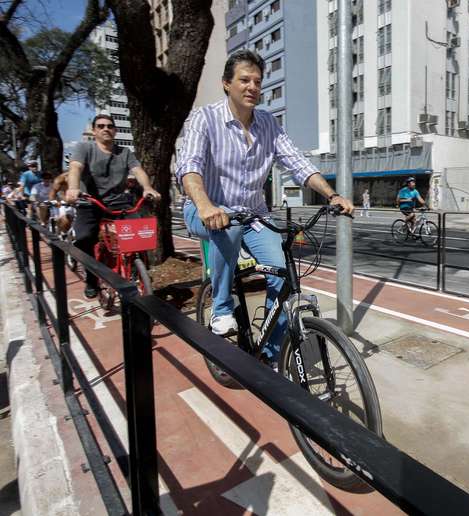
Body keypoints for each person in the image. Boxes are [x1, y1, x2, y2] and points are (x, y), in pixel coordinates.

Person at [175, 49, 353, 366]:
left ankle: (269, 355)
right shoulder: (205, 118)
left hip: (254, 217)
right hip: (205, 211)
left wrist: (332, 195)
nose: (252, 87)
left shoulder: (268, 123)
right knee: (227, 225)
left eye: (257, 81)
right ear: (226, 83)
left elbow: (297, 163)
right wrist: (205, 205)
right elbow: (189, 166)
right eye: (244, 80)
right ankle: (221, 309)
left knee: (282, 274)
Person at [64, 114, 160, 299]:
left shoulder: (124, 152)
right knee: (84, 238)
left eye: (109, 126)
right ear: (94, 131)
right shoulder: (85, 148)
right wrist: (73, 188)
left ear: (115, 130)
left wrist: (147, 188)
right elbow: (75, 168)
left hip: (118, 202)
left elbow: (138, 171)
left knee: (141, 231)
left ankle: (137, 268)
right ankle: (92, 279)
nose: (105, 129)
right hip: (90, 202)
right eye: (100, 126)